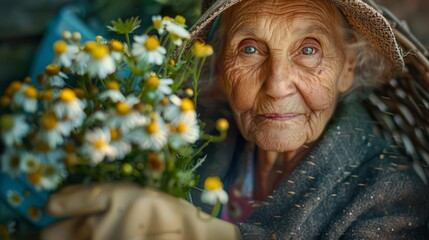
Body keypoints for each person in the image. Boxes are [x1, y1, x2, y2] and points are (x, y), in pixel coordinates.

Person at [41, 0, 429, 239]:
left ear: (346, 68)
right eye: (249, 49)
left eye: (309, 50)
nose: (277, 85)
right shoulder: (190, 134)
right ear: (220, 67)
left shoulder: (390, 196)